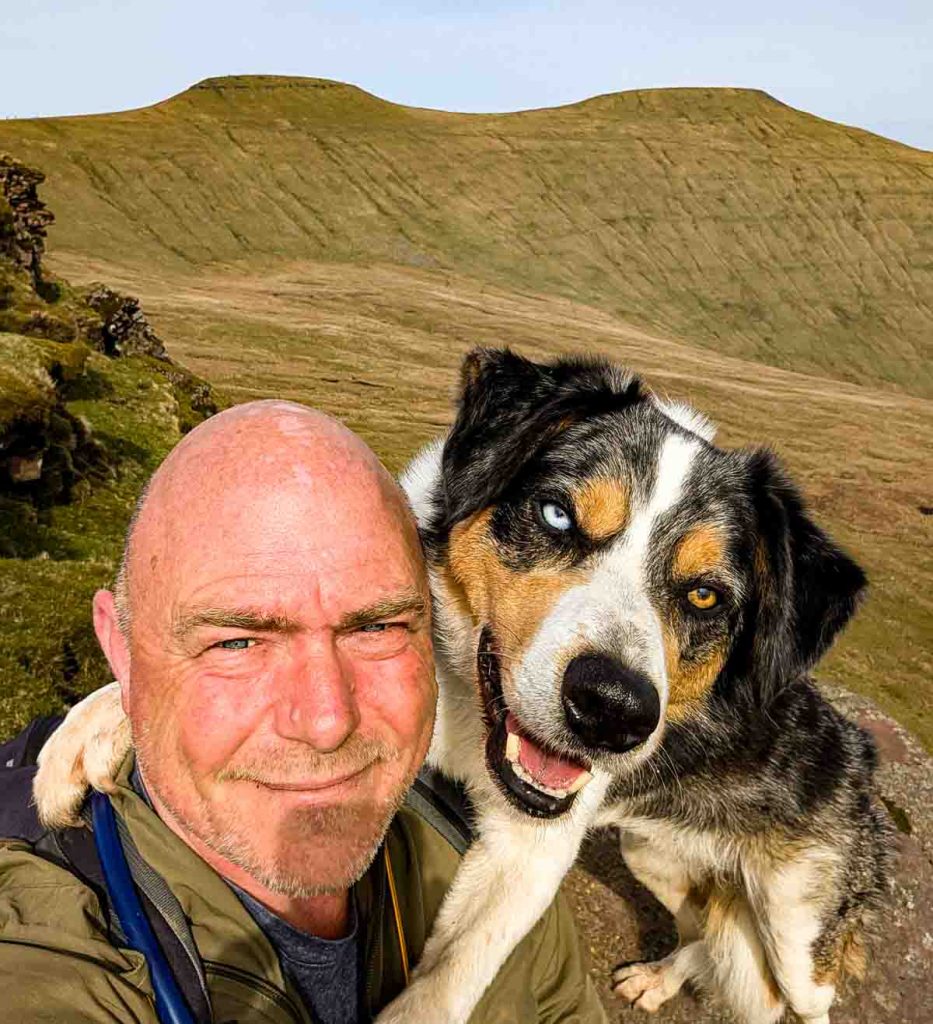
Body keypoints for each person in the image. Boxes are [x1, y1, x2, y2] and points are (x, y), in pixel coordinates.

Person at [0, 401, 606, 1023]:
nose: (326, 721)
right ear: (120, 650)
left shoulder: (480, 843)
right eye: (236, 641)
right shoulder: (45, 951)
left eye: (376, 627)